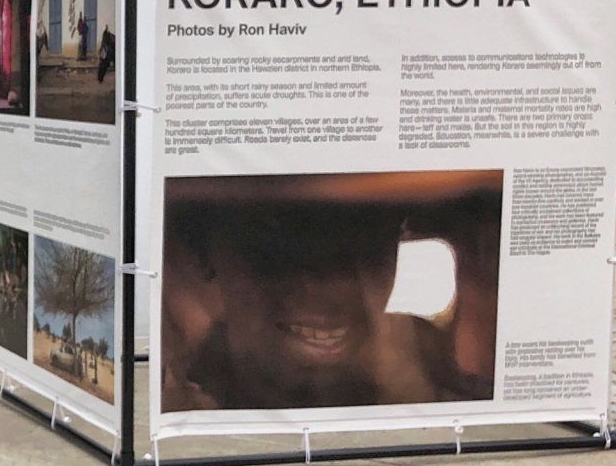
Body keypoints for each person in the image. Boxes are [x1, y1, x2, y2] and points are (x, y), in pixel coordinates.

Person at [159, 172, 502, 412]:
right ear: (204, 251)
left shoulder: (448, 380)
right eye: (278, 246)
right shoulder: (181, 404)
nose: (323, 278)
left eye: (365, 238)